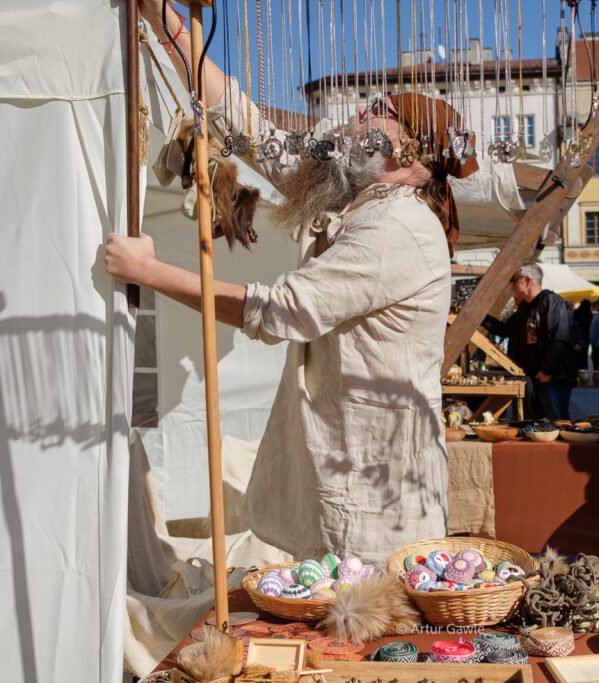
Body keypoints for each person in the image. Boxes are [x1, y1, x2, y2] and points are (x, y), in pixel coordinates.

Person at [105, 0, 478, 565]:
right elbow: (251, 130)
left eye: (378, 111)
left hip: (377, 504)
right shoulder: (356, 198)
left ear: (405, 151)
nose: (359, 112)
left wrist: (149, 272)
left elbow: (280, 311)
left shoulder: (399, 225)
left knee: (362, 619)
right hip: (343, 479)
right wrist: (168, 21)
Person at [482, 262, 574, 420]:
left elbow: (559, 338)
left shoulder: (551, 300)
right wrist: (479, 317)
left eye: (514, 279)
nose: (511, 284)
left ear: (528, 280)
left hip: (552, 378)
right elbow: (504, 329)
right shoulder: (525, 307)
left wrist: (546, 371)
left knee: (556, 424)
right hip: (533, 377)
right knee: (535, 423)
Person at [571, 299, 593, 375]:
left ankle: (575, 373)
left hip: (576, 339)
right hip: (585, 339)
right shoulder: (589, 315)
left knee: (575, 358)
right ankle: (583, 375)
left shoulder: (576, 312)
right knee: (583, 358)